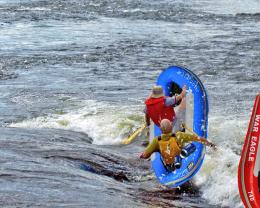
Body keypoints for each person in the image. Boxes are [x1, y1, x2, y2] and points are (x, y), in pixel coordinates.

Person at [140, 119, 216, 171]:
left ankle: (175, 161)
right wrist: (211, 145)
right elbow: (198, 139)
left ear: (161, 129)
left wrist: (142, 155)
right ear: (171, 127)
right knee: (192, 146)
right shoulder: (179, 135)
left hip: (170, 167)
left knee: (161, 154)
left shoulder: (156, 140)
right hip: (183, 164)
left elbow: (145, 155)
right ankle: (180, 158)